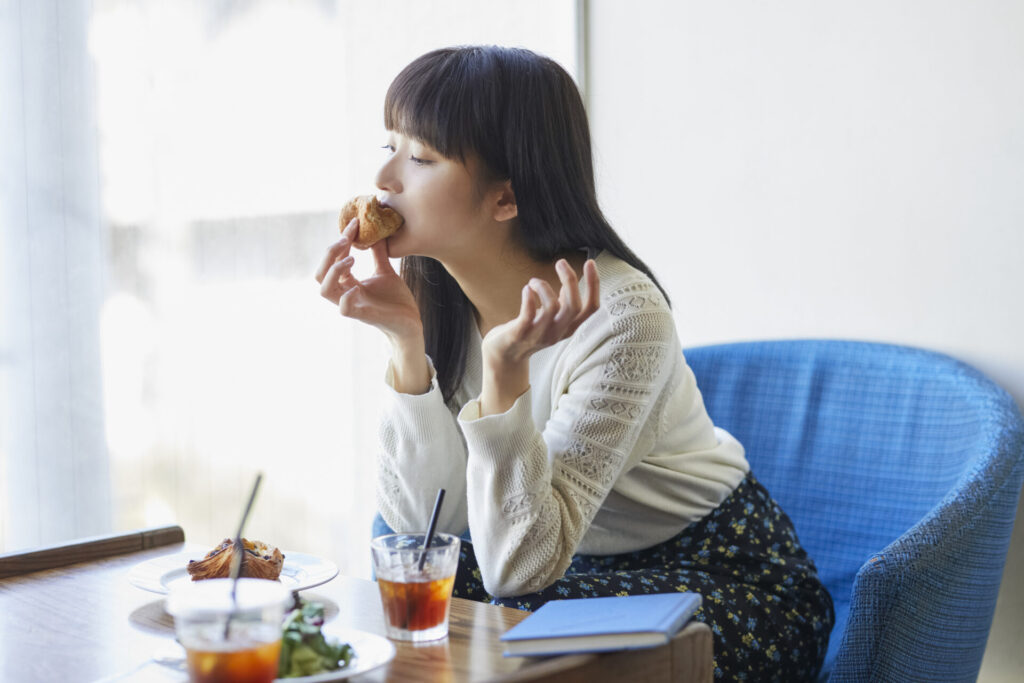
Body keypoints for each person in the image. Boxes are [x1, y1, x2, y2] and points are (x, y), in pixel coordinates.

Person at [316, 45, 833, 681]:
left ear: (505, 198)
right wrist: (405, 344)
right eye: (388, 145)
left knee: (497, 612)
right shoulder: (433, 297)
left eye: (421, 157)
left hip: (717, 579)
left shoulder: (623, 318)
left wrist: (505, 379)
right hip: (555, 568)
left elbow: (518, 568)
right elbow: (429, 525)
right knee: (418, 582)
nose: (385, 179)